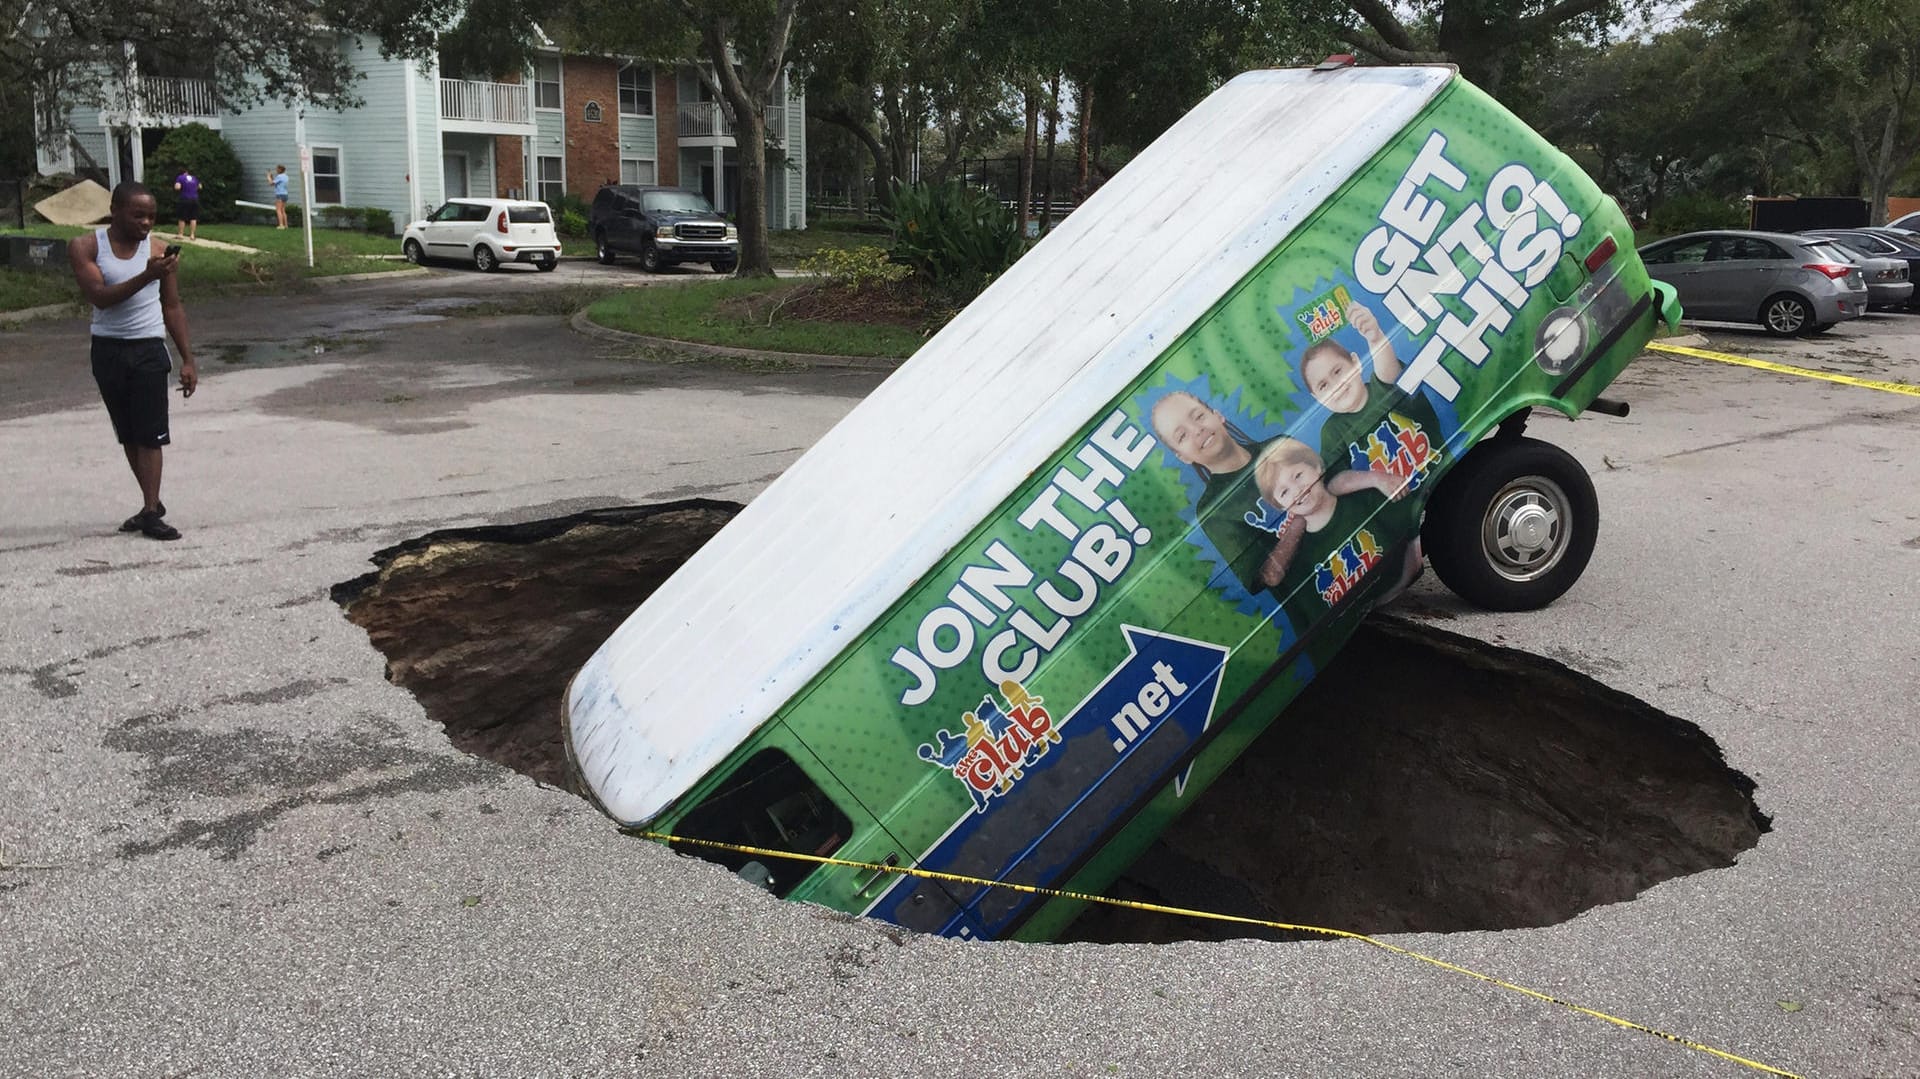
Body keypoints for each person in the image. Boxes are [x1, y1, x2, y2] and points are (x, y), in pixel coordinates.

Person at [67, 181, 198, 541]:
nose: (146, 223)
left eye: (152, 217)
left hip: (148, 350)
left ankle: (152, 512)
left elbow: (171, 306)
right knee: (128, 432)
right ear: (115, 210)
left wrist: (188, 358)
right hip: (108, 349)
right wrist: (147, 275)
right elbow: (100, 297)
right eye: (138, 215)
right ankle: (150, 505)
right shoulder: (86, 246)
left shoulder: (157, 252)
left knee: (151, 434)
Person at [1252, 437, 1420, 633]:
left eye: (1298, 475)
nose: (1297, 491)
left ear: (1316, 467)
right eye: (1284, 492)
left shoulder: (1363, 499)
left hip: (1396, 592)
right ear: (1280, 505)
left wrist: (1398, 586)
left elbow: (1413, 537)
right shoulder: (1302, 555)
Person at [1300, 301, 1444, 497]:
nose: (1336, 385)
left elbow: (1388, 372)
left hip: (1444, 473)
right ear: (1317, 398)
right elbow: (1334, 482)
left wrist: (1374, 336)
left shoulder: (1380, 390)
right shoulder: (1332, 431)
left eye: (1337, 371)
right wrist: (1376, 479)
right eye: (1323, 385)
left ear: (1356, 363)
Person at [172, 167, 201, 240]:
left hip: (185, 199)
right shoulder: (194, 177)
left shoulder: (180, 177)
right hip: (195, 199)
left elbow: (177, 187)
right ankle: (192, 235)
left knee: (182, 217)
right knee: (193, 217)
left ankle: (181, 234)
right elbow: (200, 186)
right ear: (187, 172)